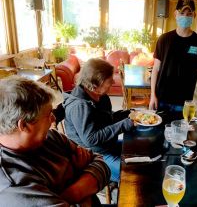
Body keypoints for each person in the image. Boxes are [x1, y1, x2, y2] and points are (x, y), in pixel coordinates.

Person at [0, 76, 110, 206]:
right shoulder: (12, 184)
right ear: (23, 125)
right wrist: (83, 185)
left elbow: (102, 165)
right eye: (48, 115)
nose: (53, 119)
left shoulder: (51, 137)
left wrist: (70, 195)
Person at [63, 58, 134, 183]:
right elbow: (91, 139)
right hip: (94, 155)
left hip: (108, 146)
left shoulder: (101, 96)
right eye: (109, 80)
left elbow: (107, 118)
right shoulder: (80, 106)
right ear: (95, 85)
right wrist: (125, 124)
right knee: (132, 175)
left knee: (138, 148)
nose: (113, 81)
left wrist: (128, 114)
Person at [149, 0, 197, 116]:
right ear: (176, 14)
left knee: (179, 132)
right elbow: (155, 69)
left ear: (194, 15)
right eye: (182, 13)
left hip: (184, 102)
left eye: (189, 13)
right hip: (161, 98)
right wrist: (152, 95)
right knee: (158, 132)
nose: (185, 16)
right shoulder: (164, 39)